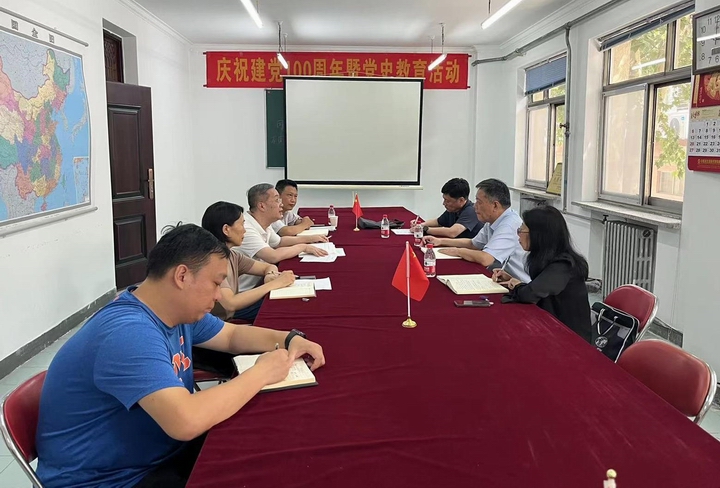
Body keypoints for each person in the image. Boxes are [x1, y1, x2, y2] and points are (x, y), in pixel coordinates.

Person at [36, 224, 325, 488]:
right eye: (216, 283)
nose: (218, 296)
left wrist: (289, 338)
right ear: (182, 276)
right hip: (113, 479)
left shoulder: (174, 309)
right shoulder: (129, 333)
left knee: (271, 444)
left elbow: (231, 336)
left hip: (157, 453)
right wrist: (261, 372)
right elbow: (185, 421)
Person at [492, 205, 592, 343]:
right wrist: (513, 281)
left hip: (570, 340)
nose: (518, 235)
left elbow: (530, 294)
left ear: (538, 235)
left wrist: (518, 286)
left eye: (521, 230)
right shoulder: (548, 259)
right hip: (551, 326)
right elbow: (540, 288)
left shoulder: (564, 265)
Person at [202, 201, 295, 321]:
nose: (244, 231)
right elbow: (231, 304)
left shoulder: (232, 255)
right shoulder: (213, 262)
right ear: (226, 229)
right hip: (222, 321)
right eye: (242, 225)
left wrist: (270, 274)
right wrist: (275, 283)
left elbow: (267, 267)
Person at [423, 178, 530, 283]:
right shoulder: (493, 220)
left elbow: (486, 259)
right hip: (503, 278)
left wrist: (457, 251)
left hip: (520, 286)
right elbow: (473, 244)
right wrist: (440, 241)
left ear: (495, 205)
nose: (475, 206)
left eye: (479, 202)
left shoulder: (509, 225)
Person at [237, 183, 327, 294]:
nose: (281, 204)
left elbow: (279, 242)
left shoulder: (263, 222)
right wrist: (303, 247)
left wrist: (310, 238)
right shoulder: (246, 228)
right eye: (277, 200)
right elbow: (273, 256)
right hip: (247, 293)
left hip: (261, 283)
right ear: (262, 206)